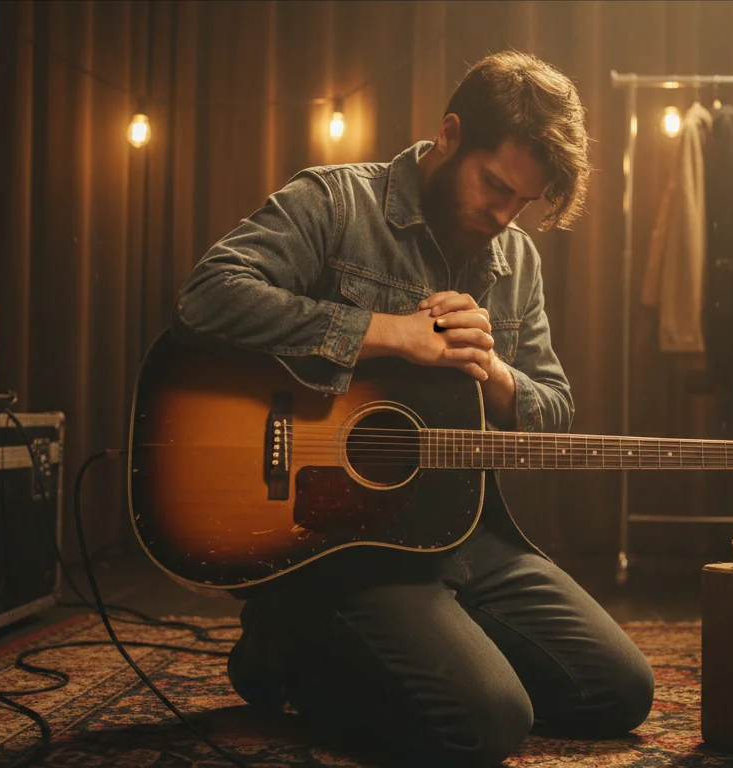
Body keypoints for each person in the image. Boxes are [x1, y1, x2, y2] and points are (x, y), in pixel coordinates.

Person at [169, 51, 655, 766]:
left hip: (464, 531)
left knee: (619, 691)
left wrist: (491, 371)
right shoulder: (337, 202)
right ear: (449, 135)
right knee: (487, 724)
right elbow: (204, 297)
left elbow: (554, 411)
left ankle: (415, 646)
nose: (503, 215)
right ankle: (287, 638)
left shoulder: (516, 260)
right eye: (494, 186)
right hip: (343, 538)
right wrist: (382, 331)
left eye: (523, 201)